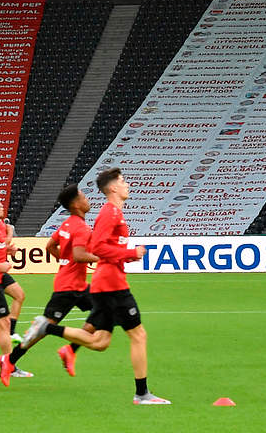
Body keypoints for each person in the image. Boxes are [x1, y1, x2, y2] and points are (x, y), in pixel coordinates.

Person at [20, 168, 170, 405]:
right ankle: (142, 394)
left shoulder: (114, 213)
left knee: (100, 342)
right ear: (112, 188)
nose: (126, 184)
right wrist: (132, 253)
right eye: (122, 181)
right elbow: (98, 248)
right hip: (112, 284)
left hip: (106, 282)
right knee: (138, 335)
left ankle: (46, 328)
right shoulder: (109, 214)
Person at [10, 184, 98, 377]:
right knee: (43, 329)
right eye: (83, 196)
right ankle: (9, 361)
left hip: (75, 284)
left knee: (104, 308)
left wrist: (65, 261)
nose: (87, 199)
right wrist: (105, 258)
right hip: (68, 288)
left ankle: (71, 351)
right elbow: (80, 255)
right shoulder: (81, 228)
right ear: (76, 204)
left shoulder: (67, 224)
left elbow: (50, 246)